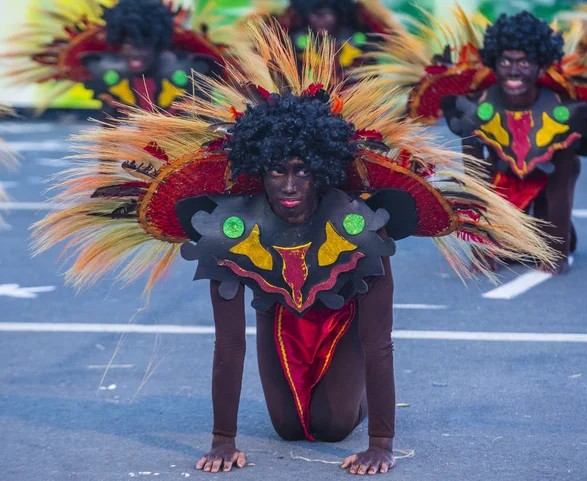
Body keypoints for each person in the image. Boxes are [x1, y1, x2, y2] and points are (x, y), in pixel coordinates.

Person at [31, 21, 557, 475]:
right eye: (277, 171)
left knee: (328, 429)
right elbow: (227, 346)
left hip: (345, 326)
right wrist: (222, 439)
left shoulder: (359, 225)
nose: (288, 185)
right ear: (258, 171)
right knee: (287, 430)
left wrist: (380, 444)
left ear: (323, 172)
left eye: (302, 171)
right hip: (279, 323)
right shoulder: (228, 230)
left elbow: (381, 344)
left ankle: (353, 401)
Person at [440, 12, 587, 274]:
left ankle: (552, 238)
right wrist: (481, 251)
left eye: (524, 62)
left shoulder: (565, 112)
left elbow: (560, 188)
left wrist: (555, 255)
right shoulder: (475, 107)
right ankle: (510, 238)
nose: (514, 70)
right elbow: (475, 185)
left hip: (548, 184)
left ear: (540, 66)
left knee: (550, 238)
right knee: (511, 250)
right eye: (505, 61)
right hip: (501, 185)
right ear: (494, 63)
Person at [2, 0, 227, 116]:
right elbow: (109, 128)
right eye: (128, 43)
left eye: (143, 44)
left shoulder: (189, 70)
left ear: (159, 44)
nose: (135, 52)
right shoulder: (106, 71)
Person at [248, 0, 395, 80]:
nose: (319, 21)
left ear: (339, 15)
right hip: (309, 104)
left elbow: (392, 39)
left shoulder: (363, 30)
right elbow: (258, 47)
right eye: (314, 15)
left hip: (362, 102)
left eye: (324, 15)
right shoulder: (293, 32)